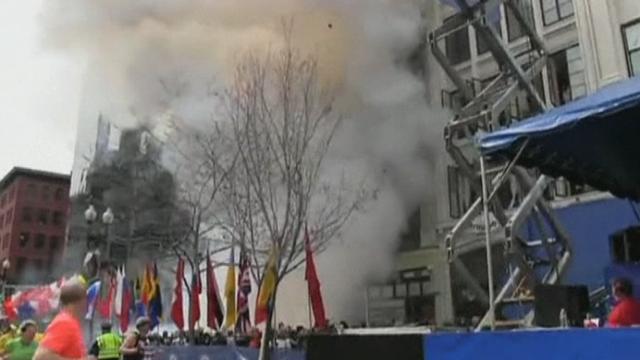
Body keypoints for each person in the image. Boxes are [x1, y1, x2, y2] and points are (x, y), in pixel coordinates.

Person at [34, 279, 87, 360]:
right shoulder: (65, 323)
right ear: (81, 301)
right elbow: (40, 357)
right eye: (86, 299)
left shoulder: (71, 322)